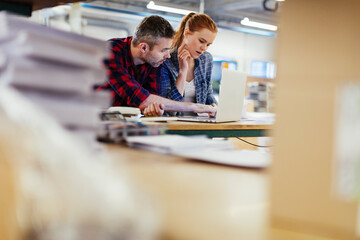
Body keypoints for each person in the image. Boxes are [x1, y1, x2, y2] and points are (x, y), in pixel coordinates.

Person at [96, 15, 216, 117]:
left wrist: (155, 109)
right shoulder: (109, 52)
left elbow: (155, 101)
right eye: (164, 50)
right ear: (144, 48)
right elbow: (141, 99)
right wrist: (197, 107)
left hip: (126, 123)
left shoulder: (154, 61)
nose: (168, 56)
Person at [160, 12, 218, 115]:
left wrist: (215, 106)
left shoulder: (207, 59)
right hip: (173, 125)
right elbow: (169, 109)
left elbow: (208, 94)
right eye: (201, 41)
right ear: (186, 33)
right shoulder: (165, 60)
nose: (204, 48)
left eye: (208, 44)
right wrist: (182, 72)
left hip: (198, 124)